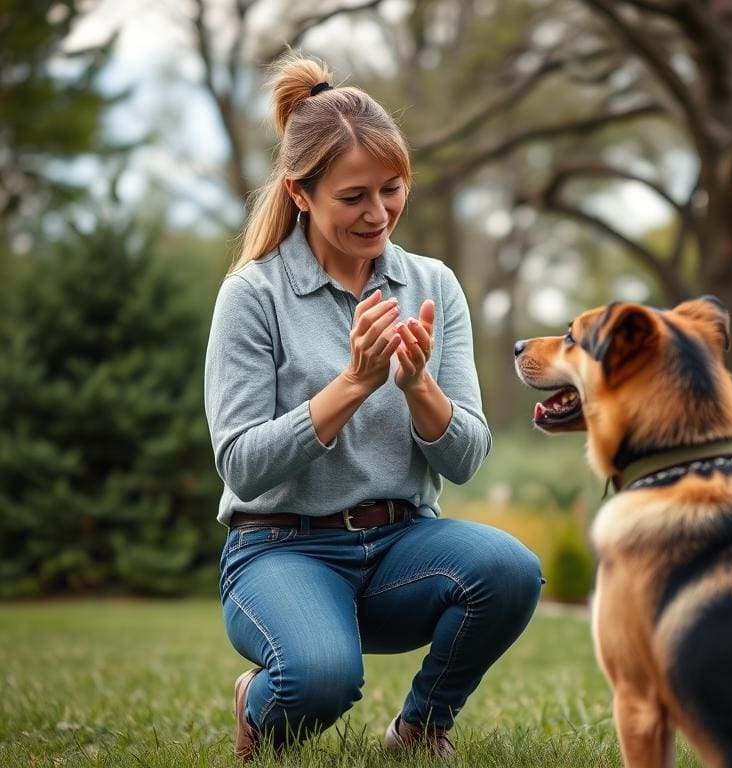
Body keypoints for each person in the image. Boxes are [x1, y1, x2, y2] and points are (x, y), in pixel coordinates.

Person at [203, 54, 543, 762]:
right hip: (280, 550)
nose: (379, 212)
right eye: (354, 196)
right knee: (319, 682)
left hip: (400, 548)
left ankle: (420, 728)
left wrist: (418, 385)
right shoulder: (253, 295)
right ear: (301, 193)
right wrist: (353, 384)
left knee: (509, 570)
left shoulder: (431, 283)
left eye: (393, 190)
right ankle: (258, 700)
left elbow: (467, 456)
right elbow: (242, 465)